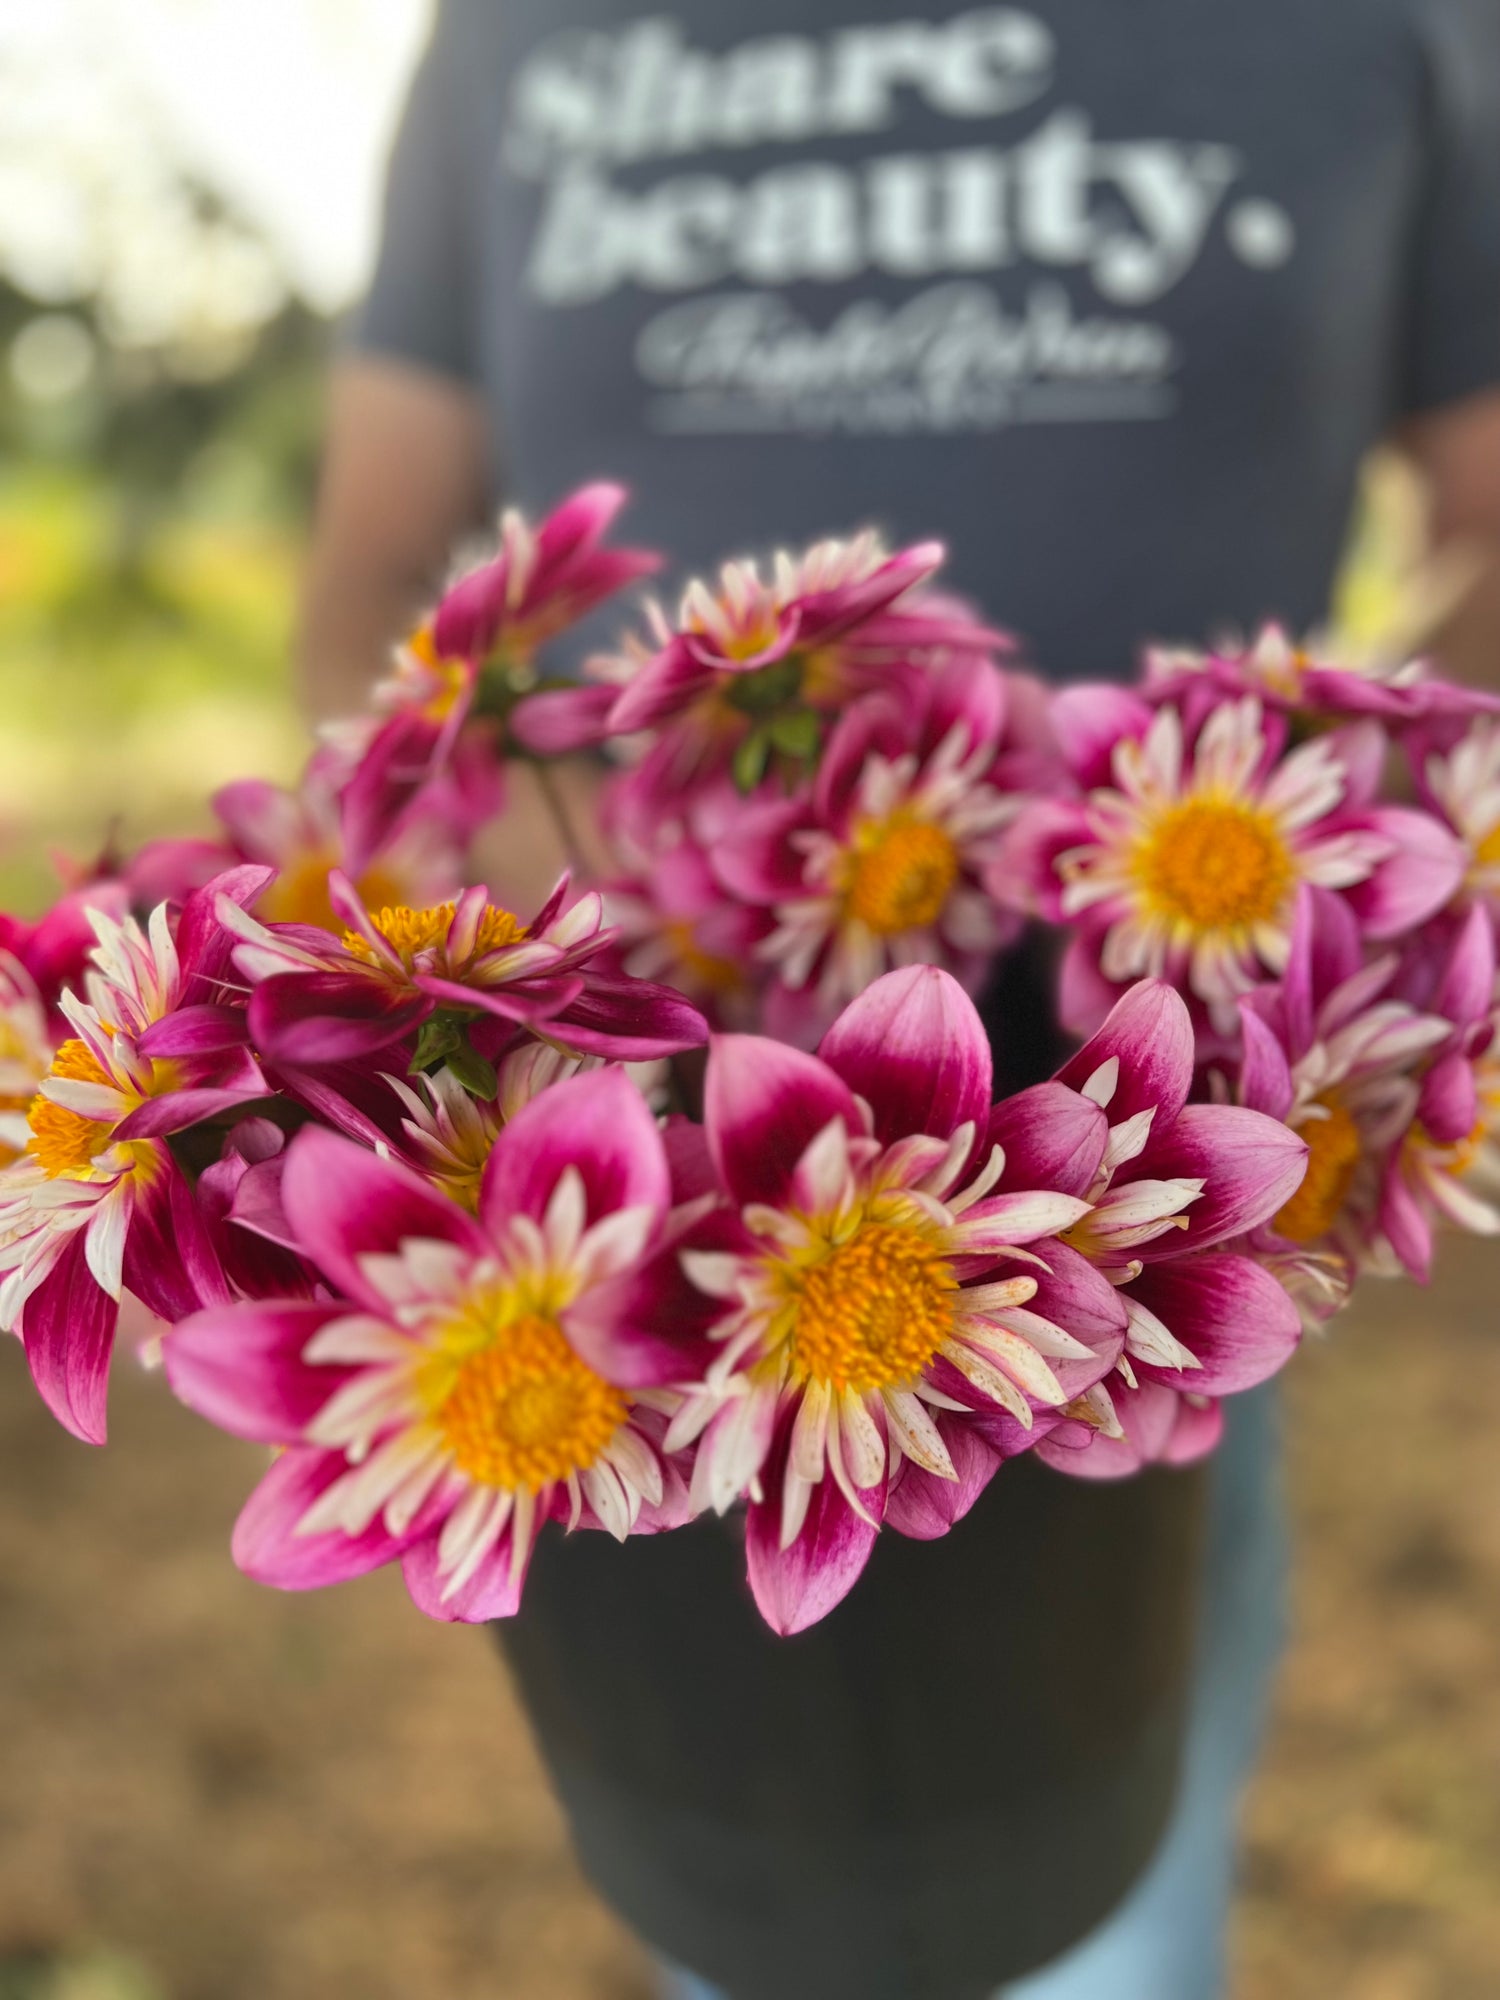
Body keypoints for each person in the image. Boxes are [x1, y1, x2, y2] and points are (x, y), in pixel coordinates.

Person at [300, 6, 1500, 1994]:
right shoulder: (519, 32)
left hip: (1146, 1186)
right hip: (642, 1187)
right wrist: (469, 813)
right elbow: (373, 571)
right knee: (755, 1886)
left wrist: (1362, 793)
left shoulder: (1395, 26)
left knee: (1099, 1889)